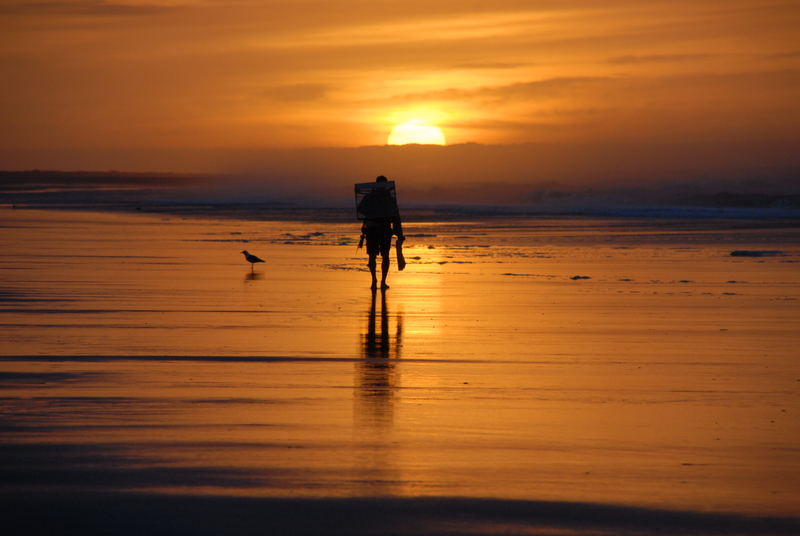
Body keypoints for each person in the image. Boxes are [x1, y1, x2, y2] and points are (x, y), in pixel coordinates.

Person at [359, 175, 404, 290]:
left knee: (373, 256)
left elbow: (361, 210)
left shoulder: (369, 197)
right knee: (384, 256)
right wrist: (399, 234)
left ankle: (375, 281)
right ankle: (381, 282)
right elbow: (396, 217)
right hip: (383, 231)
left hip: (372, 230)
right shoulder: (389, 199)